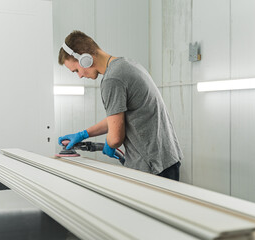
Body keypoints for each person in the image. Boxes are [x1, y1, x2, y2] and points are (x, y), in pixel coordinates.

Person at [57, 30, 183, 181]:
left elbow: (116, 138)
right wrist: (84, 134)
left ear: (85, 58)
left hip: (153, 167)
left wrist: (110, 144)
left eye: (77, 70)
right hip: (166, 159)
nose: (80, 75)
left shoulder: (112, 79)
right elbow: (119, 117)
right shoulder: (126, 64)